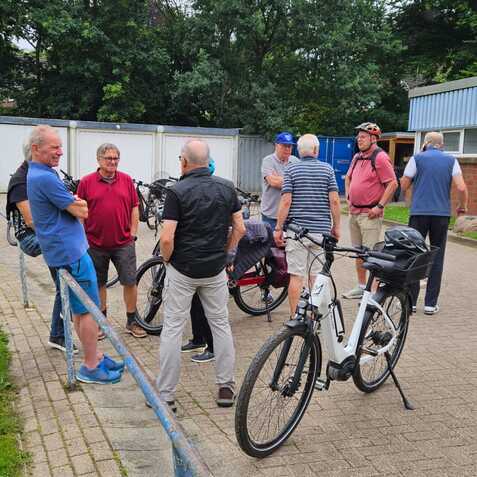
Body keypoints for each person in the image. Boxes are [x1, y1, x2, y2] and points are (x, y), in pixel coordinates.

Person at [26, 125, 124, 384]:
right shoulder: (45, 178)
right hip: (71, 253)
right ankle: (91, 366)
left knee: (80, 310)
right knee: (88, 309)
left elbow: (74, 205)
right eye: (54, 147)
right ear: (36, 148)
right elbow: (82, 210)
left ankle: (95, 356)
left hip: (63, 251)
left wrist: (73, 202)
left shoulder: (39, 173)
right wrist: (76, 202)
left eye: (60, 146)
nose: (60, 152)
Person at [156, 138, 245, 410]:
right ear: (207, 161)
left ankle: (166, 394)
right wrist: (226, 253)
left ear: (184, 161)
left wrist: (167, 260)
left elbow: (167, 238)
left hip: (183, 269)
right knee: (220, 325)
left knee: (173, 328)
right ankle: (226, 387)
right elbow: (240, 228)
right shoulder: (227, 188)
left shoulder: (176, 192)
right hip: (215, 269)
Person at [6, 143, 74, 353]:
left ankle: (61, 329)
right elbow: (32, 221)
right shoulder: (21, 180)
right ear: (35, 153)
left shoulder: (44, 174)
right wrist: (63, 232)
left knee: (66, 281)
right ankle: (60, 332)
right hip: (30, 238)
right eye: (51, 150)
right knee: (67, 280)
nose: (58, 154)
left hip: (45, 234)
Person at [77, 144, 146, 339]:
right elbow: (79, 212)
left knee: (130, 281)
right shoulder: (86, 182)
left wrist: (133, 234)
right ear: (99, 159)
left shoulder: (126, 180)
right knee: (99, 284)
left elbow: (134, 207)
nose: (113, 162)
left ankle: (132, 321)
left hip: (124, 243)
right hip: (95, 244)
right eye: (109, 158)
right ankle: (102, 323)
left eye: (116, 158)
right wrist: (81, 238)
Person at [400, 131, 468, 315]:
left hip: (419, 213)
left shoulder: (416, 158)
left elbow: (404, 185)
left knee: (415, 254)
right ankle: (430, 304)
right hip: (441, 214)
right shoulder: (451, 160)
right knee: (437, 256)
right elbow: (462, 187)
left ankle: (411, 303)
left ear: (426, 143)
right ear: (441, 145)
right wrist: (462, 206)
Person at [273, 134, 341, 315]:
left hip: (297, 233)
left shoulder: (291, 170)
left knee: (296, 276)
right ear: (316, 150)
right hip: (320, 234)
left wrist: (278, 228)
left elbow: (286, 201)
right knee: (316, 276)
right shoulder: (327, 170)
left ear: (299, 151)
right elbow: (335, 201)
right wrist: (336, 227)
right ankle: (313, 318)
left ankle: (295, 318)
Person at [343, 122, 398, 299]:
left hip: (370, 214)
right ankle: (361, 286)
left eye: (363, 137)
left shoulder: (380, 157)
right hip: (354, 213)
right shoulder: (357, 157)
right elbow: (348, 178)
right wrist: (349, 197)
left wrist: (379, 206)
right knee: (358, 253)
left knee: (372, 255)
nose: (359, 139)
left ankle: (372, 292)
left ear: (373, 139)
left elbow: (392, 183)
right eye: (358, 137)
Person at [261, 132, 299, 230]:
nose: (287, 149)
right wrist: (293, 181)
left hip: (290, 216)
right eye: (284, 146)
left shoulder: (295, 161)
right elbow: (273, 182)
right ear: (276, 145)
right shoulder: (268, 161)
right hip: (271, 215)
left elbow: (301, 184)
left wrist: (279, 178)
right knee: (270, 240)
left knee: (290, 240)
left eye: (289, 146)